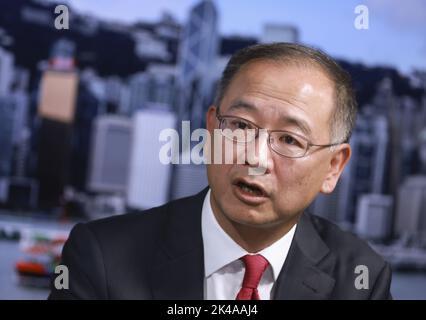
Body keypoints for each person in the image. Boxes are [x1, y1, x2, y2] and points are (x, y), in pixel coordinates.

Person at [49, 43, 392, 300]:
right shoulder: (102, 256)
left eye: (289, 139)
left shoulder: (361, 281)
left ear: (333, 167)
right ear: (211, 129)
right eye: (241, 126)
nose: (256, 158)